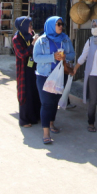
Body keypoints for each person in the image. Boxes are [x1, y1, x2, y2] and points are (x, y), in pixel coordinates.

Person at [32, 16, 75, 145]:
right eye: (58, 24)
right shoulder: (41, 41)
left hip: (61, 75)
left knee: (55, 102)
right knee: (46, 103)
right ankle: (46, 133)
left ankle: (51, 123)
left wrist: (65, 56)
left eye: (62, 24)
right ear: (51, 26)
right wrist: (53, 57)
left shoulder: (65, 39)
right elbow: (36, 58)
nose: (61, 26)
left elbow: (72, 54)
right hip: (44, 76)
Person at [12, 16, 41, 128]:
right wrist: (33, 45)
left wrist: (36, 41)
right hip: (23, 69)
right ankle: (24, 120)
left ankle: (35, 117)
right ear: (23, 26)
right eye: (29, 25)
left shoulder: (31, 34)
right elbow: (22, 54)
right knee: (25, 93)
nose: (31, 27)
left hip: (33, 67)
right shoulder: (17, 39)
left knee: (35, 91)